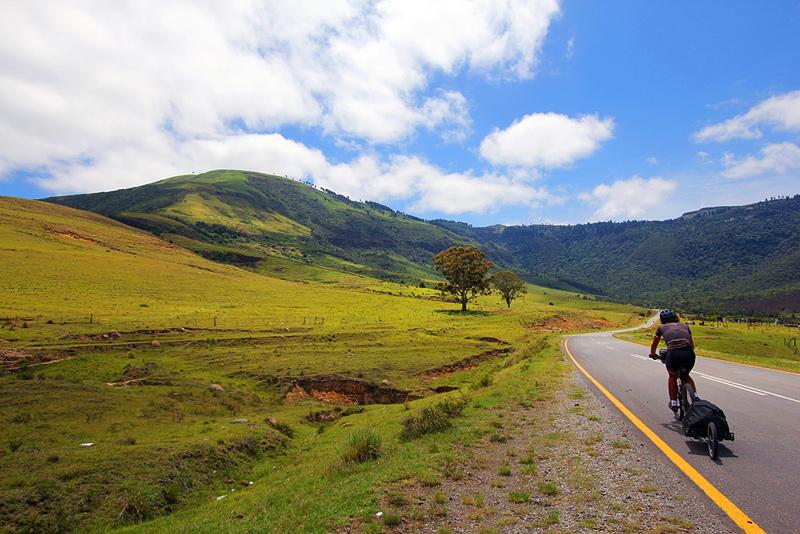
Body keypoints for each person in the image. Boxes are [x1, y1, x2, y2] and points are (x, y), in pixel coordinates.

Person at [650, 309, 698, 413]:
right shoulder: (685, 326)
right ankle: (696, 398)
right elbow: (691, 343)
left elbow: (654, 344)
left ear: (662, 320)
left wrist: (653, 354)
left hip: (673, 354)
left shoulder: (661, 328)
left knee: (673, 376)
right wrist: (689, 353)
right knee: (686, 376)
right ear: (676, 317)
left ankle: (674, 402)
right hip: (688, 353)